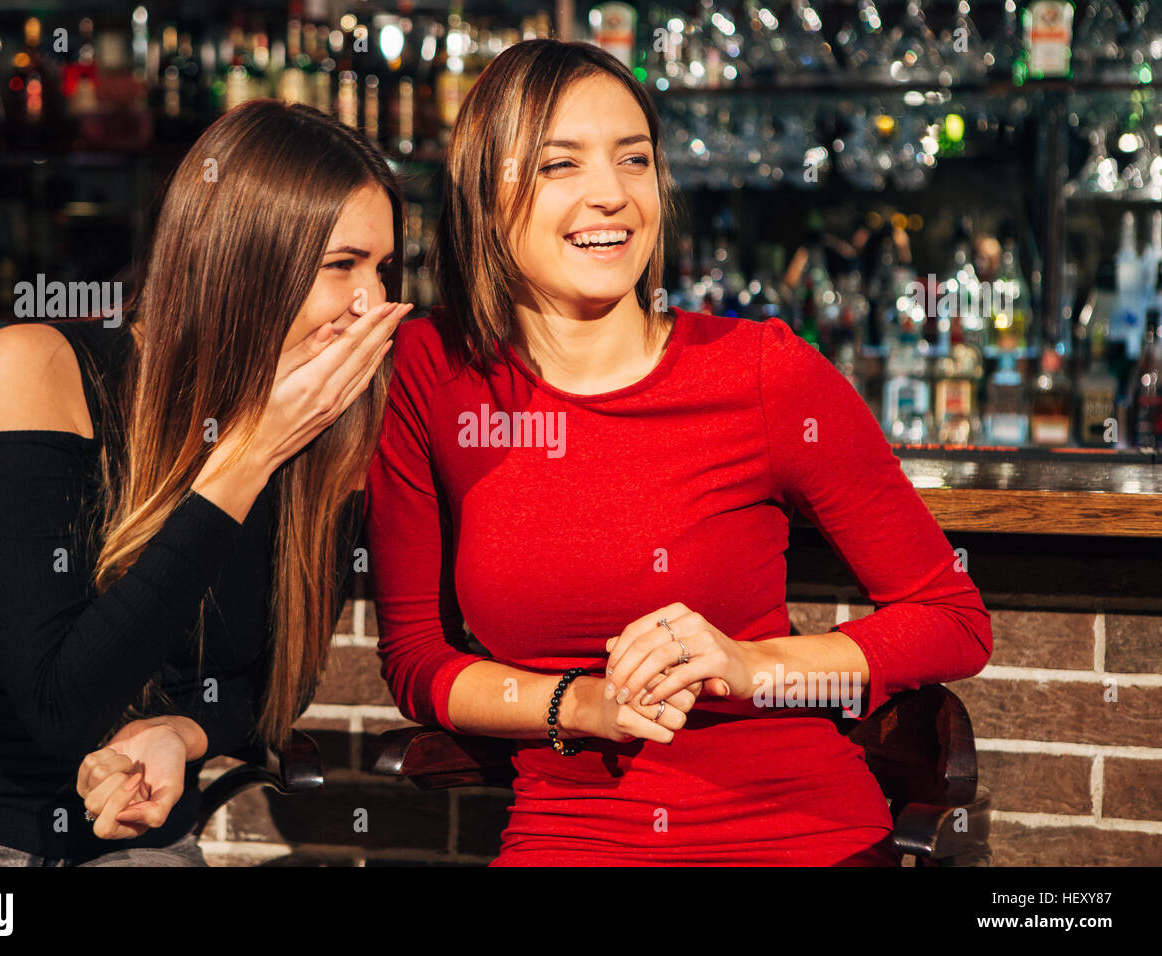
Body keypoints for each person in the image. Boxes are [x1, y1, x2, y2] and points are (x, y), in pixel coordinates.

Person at [365, 39, 994, 866]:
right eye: (561, 165)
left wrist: (750, 666)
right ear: (487, 195)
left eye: (635, 159)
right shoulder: (428, 372)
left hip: (801, 832)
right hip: (571, 837)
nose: (612, 196)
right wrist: (581, 705)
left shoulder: (764, 370)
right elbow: (418, 662)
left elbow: (952, 621)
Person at [0, 100, 406, 865]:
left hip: (133, 843)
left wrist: (179, 733)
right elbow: (60, 705)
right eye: (342, 266)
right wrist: (243, 463)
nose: (373, 303)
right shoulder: (38, 369)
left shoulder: (324, 431)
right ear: (243, 258)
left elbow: (274, 683)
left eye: (383, 269)